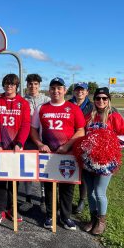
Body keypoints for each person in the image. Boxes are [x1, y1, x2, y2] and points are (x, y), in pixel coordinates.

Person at [30, 77, 85, 230]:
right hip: (48, 155)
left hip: (67, 154)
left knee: (67, 187)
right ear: (49, 90)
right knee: (49, 187)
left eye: (59, 88)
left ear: (65, 90)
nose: (56, 91)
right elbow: (33, 129)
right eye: (53, 88)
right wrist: (40, 144)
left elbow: (81, 130)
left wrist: (67, 146)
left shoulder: (73, 108)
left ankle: (65, 217)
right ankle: (50, 215)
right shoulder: (41, 108)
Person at [82, 87, 124, 235]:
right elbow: (82, 134)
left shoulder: (114, 116)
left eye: (104, 98)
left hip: (106, 161)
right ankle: (93, 219)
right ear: (94, 100)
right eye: (98, 98)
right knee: (90, 192)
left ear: (108, 100)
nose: (101, 101)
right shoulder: (89, 116)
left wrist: (109, 146)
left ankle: (101, 221)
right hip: (89, 161)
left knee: (99, 191)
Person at [0, 73, 31, 224]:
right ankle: (0, 208)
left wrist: (20, 143)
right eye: (7, 84)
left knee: (14, 179)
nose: (9, 86)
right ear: (3, 85)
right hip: (2, 146)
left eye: (12, 84)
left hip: (16, 147)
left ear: (16, 86)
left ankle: (13, 208)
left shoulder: (23, 103)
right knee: (1, 179)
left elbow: (26, 124)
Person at [23, 74, 50, 206]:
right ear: (27, 85)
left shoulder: (46, 99)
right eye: (30, 84)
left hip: (44, 139)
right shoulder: (23, 100)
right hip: (28, 139)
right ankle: (28, 198)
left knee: (43, 170)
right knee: (28, 170)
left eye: (35, 84)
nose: (33, 86)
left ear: (39, 85)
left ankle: (43, 198)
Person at [69, 82, 93, 214]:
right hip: (69, 141)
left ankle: (82, 200)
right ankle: (67, 200)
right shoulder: (68, 104)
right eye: (77, 90)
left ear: (87, 92)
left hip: (85, 142)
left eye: (82, 90)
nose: (80, 92)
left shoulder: (92, 106)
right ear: (74, 92)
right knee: (69, 169)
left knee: (83, 173)